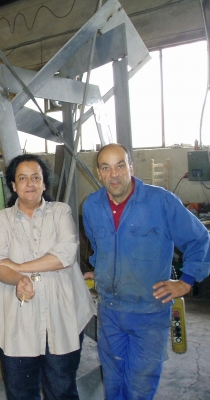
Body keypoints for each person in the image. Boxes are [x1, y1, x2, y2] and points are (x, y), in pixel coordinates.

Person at [82, 143, 210, 399]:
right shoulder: (91, 206)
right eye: (106, 168)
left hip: (149, 312)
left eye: (120, 165)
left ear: (131, 166)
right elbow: (100, 247)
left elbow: (199, 240)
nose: (114, 174)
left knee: (139, 387)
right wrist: (102, 270)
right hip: (110, 312)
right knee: (113, 381)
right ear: (99, 173)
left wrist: (186, 280)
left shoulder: (161, 201)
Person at [0, 154, 95, 400]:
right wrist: (18, 279)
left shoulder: (60, 212)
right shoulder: (1, 220)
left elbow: (64, 254)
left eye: (36, 177)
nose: (30, 184)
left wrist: (18, 266)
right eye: (22, 178)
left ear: (45, 184)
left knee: (61, 387)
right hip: (16, 317)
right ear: (13, 186)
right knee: (21, 391)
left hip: (62, 314)